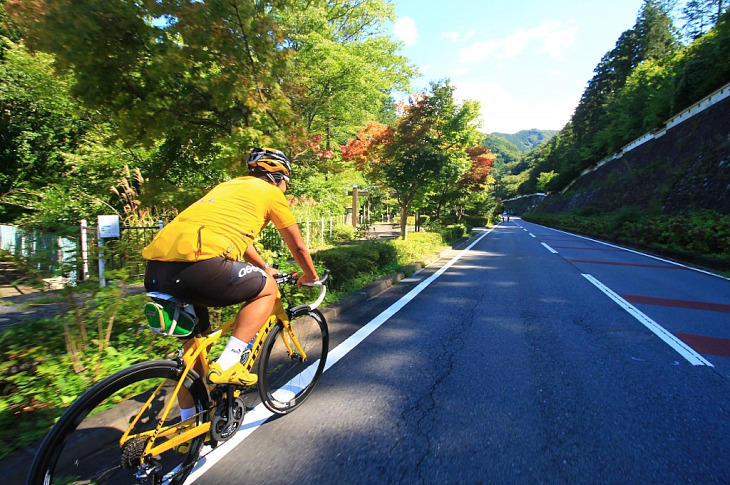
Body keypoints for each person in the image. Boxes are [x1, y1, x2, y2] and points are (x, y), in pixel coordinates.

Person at [142, 148, 319, 392]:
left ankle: (192, 421)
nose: (286, 189)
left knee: (194, 356)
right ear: (280, 177)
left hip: (156, 271)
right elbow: (298, 247)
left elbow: (240, 240)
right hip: (199, 267)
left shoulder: (226, 187)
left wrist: (265, 267)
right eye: (286, 183)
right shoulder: (270, 192)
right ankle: (228, 363)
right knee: (267, 289)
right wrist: (311, 276)